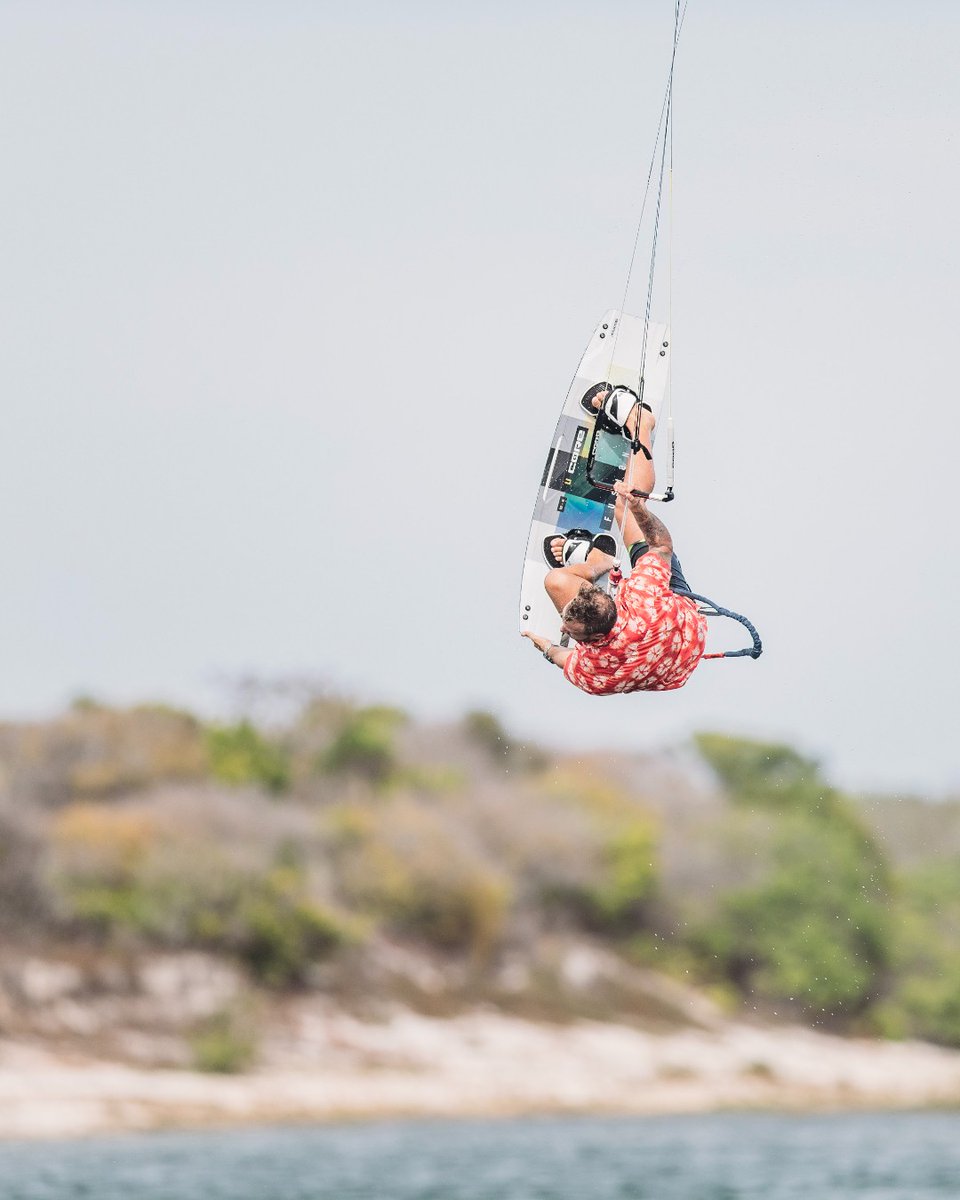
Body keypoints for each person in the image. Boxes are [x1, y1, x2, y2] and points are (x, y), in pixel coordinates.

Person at [522, 398, 707, 694]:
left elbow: (561, 656)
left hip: (672, 658)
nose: (561, 628)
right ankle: (641, 422)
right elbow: (662, 546)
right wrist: (638, 507)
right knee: (625, 506)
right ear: (617, 602)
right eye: (567, 627)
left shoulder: (592, 676)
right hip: (678, 624)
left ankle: (598, 562)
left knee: (557, 581)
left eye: (567, 629)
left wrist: (546, 647)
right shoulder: (645, 596)